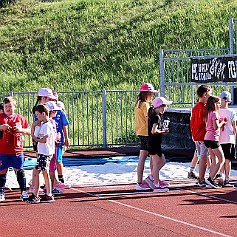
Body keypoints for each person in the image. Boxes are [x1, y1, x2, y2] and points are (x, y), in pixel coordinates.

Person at [0, 96, 31, 202]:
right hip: (2, 150)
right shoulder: (0, 117)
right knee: (2, 171)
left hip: (17, 149)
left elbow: (30, 130)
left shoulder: (20, 118)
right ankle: (1, 191)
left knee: (19, 170)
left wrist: (21, 129)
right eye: (6, 106)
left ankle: (23, 191)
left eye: (10, 106)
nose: (8, 108)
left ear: (15, 106)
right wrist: (1, 127)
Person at [144, 97, 172, 192]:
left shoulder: (154, 116)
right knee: (156, 164)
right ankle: (155, 184)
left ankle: (152, 177)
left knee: (162, 161)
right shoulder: (156, 117)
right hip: (154, 143)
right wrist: (163, 131)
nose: (166, 108)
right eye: (165, 106)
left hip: (154, 143)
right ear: (160, 106)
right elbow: (153, 130)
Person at [29, 104, 55, 203]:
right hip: (42, 152)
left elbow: (44, 139)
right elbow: (34, 136)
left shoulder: (47, 125)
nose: (37, 117)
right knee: (38, 171)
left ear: (43, 114)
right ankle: (39, 194)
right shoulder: (42, 125)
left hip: (45, 152)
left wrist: (36, 139)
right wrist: (33, 126)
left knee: (42, 172)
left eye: (38, 115)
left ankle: (46, 194)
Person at [134, 83, 158, 190]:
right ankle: (152, 178)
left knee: (143, 157)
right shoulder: (145, 105)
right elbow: (148, 119)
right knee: (152, 157)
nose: (152, 96)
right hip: (146, 133)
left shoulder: (138, 104)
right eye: (151, 94)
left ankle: (141, 181)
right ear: (146, 94)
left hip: (141, 132)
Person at [190, 85, 212, 187]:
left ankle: (203, 176)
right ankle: (201, 179)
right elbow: (205, 122)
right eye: (209, 94)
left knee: (201, 156)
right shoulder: (203, 108)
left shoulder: (195, 108)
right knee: (203, 157)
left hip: (196, 136)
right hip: (203, 136)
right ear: (204, 95)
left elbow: (192, 123)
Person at [204, 96, 226, 188]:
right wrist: (222, 122)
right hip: (213, 138)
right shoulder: (215, 114)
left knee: (214, 158)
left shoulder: (207, 113)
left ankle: (211, 177)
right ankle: (210, 178)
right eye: (218, 103)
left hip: (207, 138)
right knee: (222, 159)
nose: (220, 105)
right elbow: (216, 127)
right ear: (214, 104)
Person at [218, 91, 237, 186]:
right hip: (229, 138)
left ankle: (221, 175)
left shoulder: (217, 111)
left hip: (220, 138)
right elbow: (234, 127)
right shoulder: (232, 112)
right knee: (228, 160)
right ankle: (227, 178)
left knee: (221, 159)